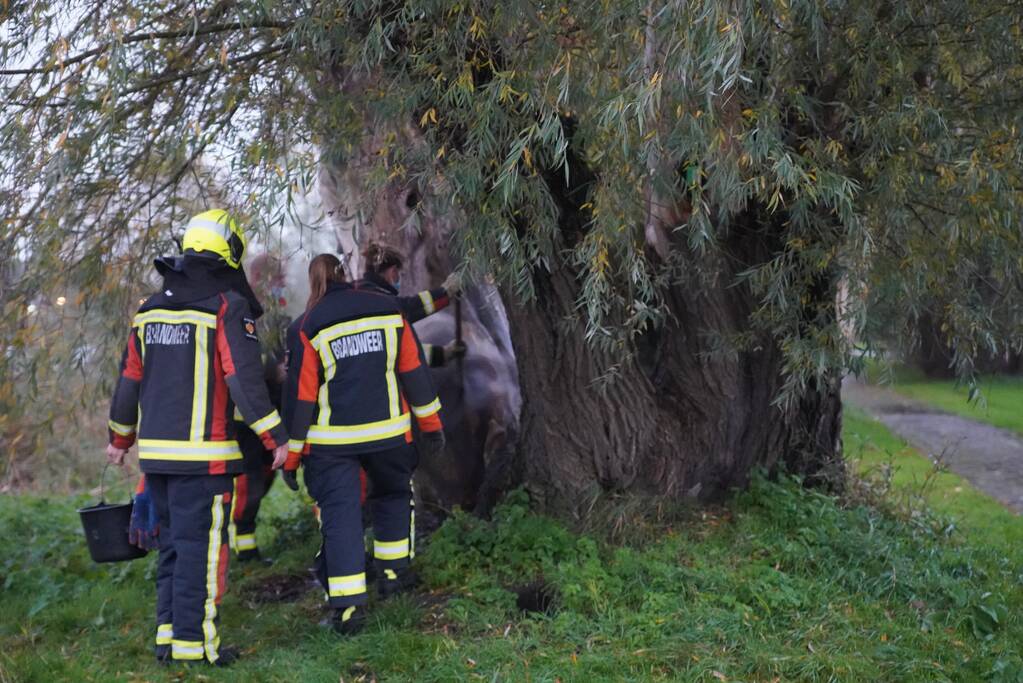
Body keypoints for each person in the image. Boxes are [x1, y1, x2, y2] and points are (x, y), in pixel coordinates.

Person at [106, 209, 289, 667]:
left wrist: (119, 439)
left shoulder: (149, 310)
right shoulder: (225, 306)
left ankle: (168, 638)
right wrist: (277, 438)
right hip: (204, 460)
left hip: (158, 461)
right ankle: (196, 647)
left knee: (171, 549)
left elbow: (129, 380)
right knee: (201, 553)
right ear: (231, 250)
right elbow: (245, 380)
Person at [281, 261, 445, 635]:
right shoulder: (389, 310)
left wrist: (291, 459)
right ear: (346, 274)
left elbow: (302, 399)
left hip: (331, 444)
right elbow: (414, 372)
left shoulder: (309, 324)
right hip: (389, 437)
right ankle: (393, 576)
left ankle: (350, 610)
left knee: (341, 518)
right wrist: (433, 427)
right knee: (392, 497)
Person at [356, 241, 464, 367]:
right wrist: (445, 292)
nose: (399, 280)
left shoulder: (361, 293)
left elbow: (400, 352)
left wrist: (442, 354)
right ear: (393, 272)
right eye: (400, 275)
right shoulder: (378, 299)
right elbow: (411, 308)